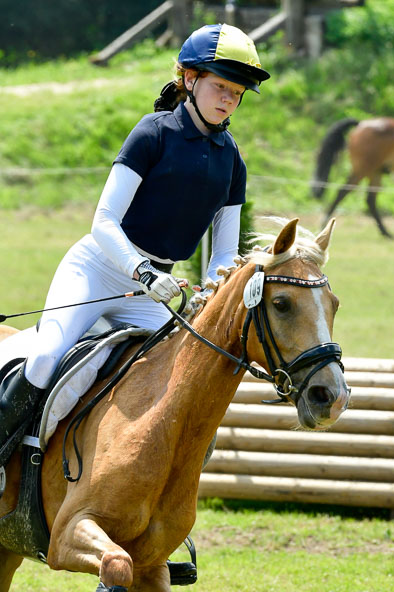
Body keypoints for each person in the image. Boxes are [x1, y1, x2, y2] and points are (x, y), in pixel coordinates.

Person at [0, 23, 270, 467]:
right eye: (221, 86)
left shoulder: (232, 160)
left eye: (237, 92)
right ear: (189, 79)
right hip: (100, 266)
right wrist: (143, 272)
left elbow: (224, 249)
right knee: (48, 355)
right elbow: (104, 221)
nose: (228, 99)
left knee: (173, 381)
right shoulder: (153, 133)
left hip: (156, 289)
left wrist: (211, 285)